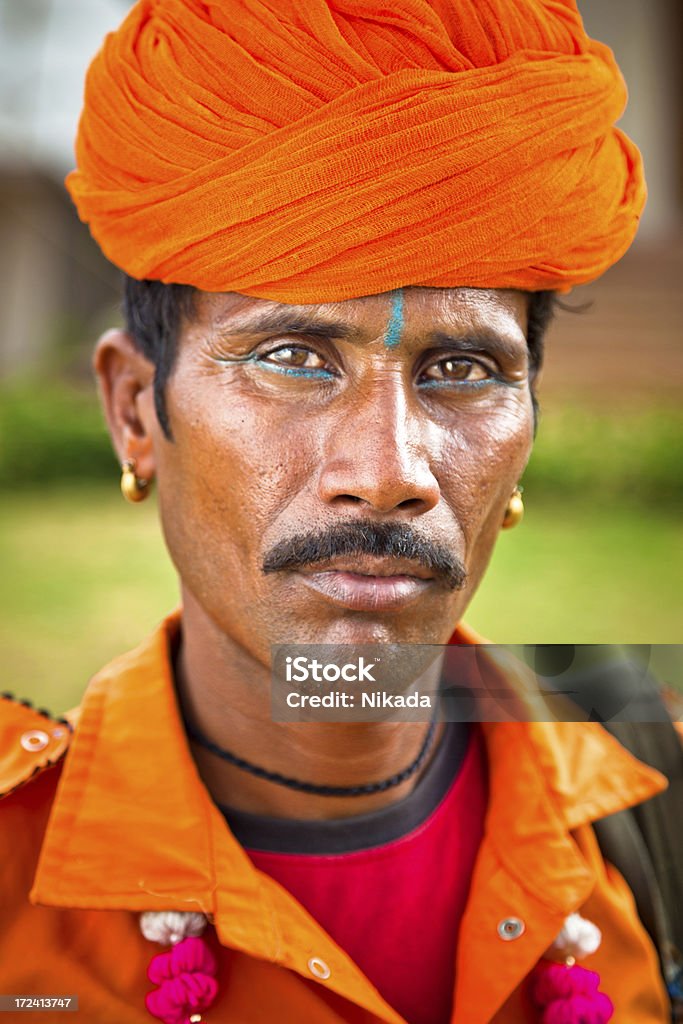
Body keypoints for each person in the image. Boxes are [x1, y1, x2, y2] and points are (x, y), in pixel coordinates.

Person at [0, 1, 674, 1021]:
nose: (388, 470)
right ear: (135, 409)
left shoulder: (649, 788)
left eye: (462, 367)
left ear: (530, 417)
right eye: (291, 358)